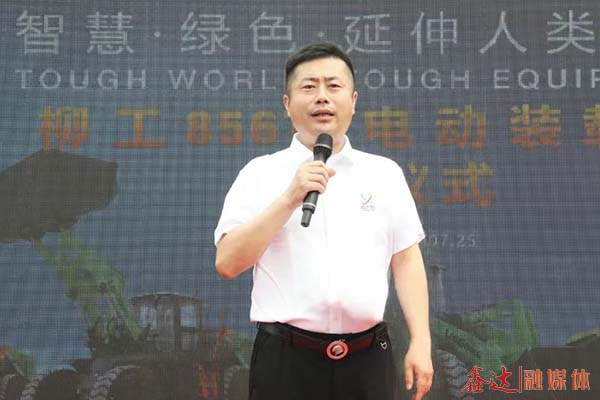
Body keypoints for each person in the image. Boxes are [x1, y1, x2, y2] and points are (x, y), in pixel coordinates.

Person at [214, 43, 433, 400]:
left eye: (333, 86)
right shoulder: (259, 173)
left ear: (353, 100)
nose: (322, 97)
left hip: (367, 360)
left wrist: (421, 341)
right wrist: (289, 198)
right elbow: (227, 262)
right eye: (308, 87)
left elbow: (406, 260)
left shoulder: (384, 173)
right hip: (286, 361)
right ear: (287, 104)